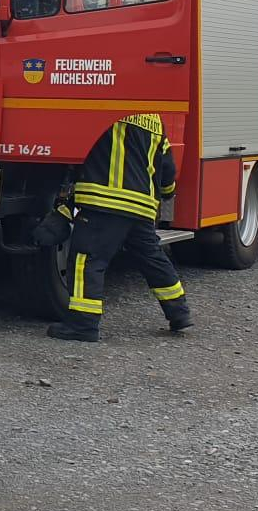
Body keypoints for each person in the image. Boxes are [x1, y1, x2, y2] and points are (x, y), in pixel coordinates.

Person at [48, 112, 193, 342]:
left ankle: (83, 325)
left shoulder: (105, 109)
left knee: (87, 260)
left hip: (105, 203)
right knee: (152, 259)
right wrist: (168, 192)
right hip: (142, 207)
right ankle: (179, 312)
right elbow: (166, 166)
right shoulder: (154, 120)